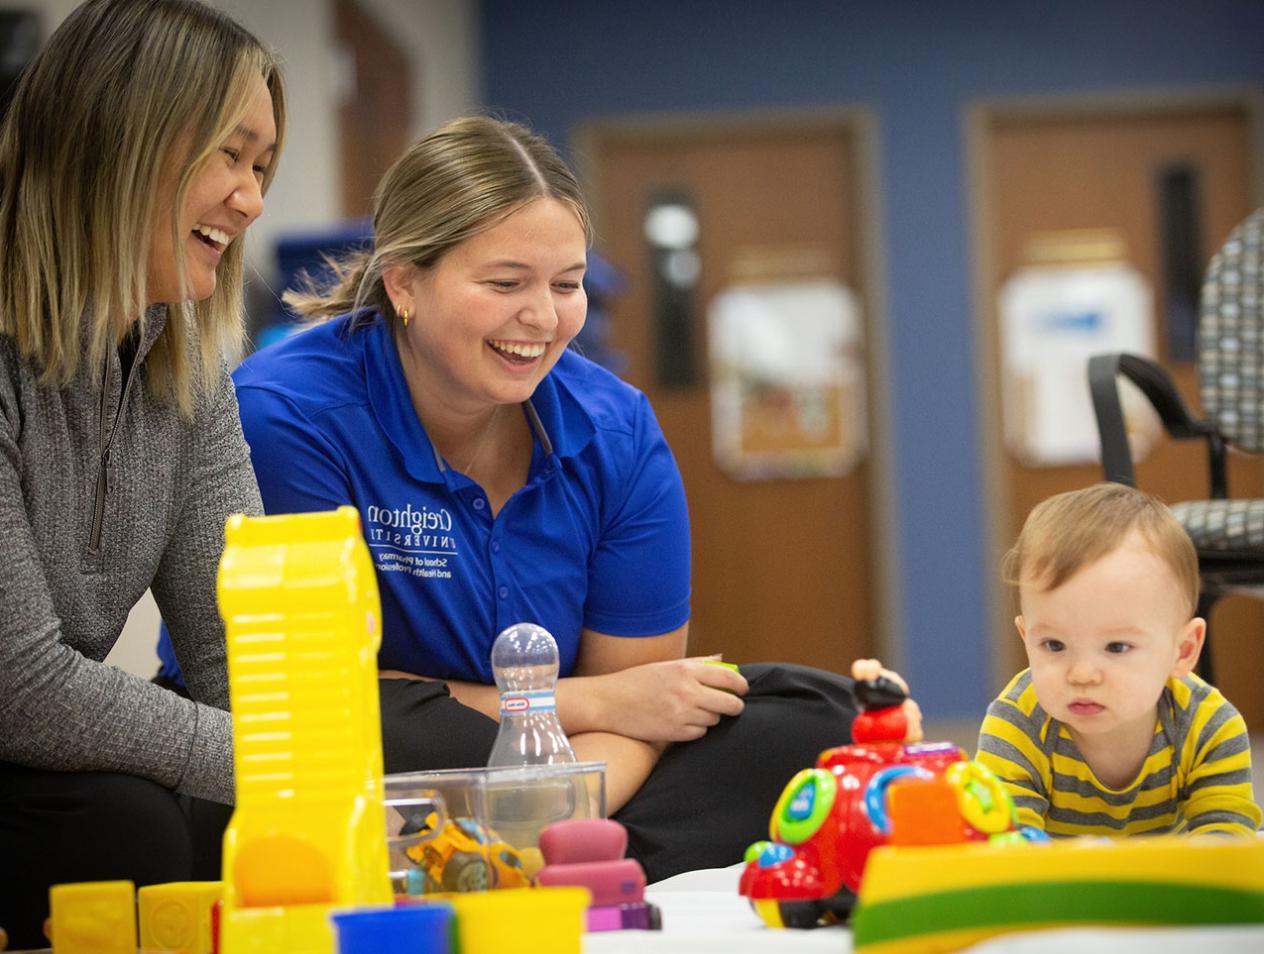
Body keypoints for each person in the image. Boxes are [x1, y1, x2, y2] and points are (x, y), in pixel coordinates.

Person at [225, 114, 899, 881]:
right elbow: (311, 690)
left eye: (567, 285)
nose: (543, 319)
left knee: (814, 717)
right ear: (404, 282)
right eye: (506, 283)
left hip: (565, 769)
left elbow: (650, 705)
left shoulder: (615, 428)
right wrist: (593, 705)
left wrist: (556, 810)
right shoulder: (287, 415)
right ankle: (575, 864)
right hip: (364, 747)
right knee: (397, 728)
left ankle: (522, 864)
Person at [0, 0, 284, 945]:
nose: (250, 199)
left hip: (36, 754)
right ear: (121, 138)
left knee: (240, 814)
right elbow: (22, 683)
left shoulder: (183, 359)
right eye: (229, 155)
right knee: (125, 828)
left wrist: (300, 778)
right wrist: (280, 763)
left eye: (261, 168)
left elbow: (232, 634)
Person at [976, 482, 1261, 837]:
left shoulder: (1208, 726)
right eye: (1053, 645)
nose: (1082, 674)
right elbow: (1008, 852)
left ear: (1183, 650)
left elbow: (1227, 850)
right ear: (1026, 639)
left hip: (1170, 889)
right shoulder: (1017, 726)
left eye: (1116, 648)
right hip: (1060, 890)